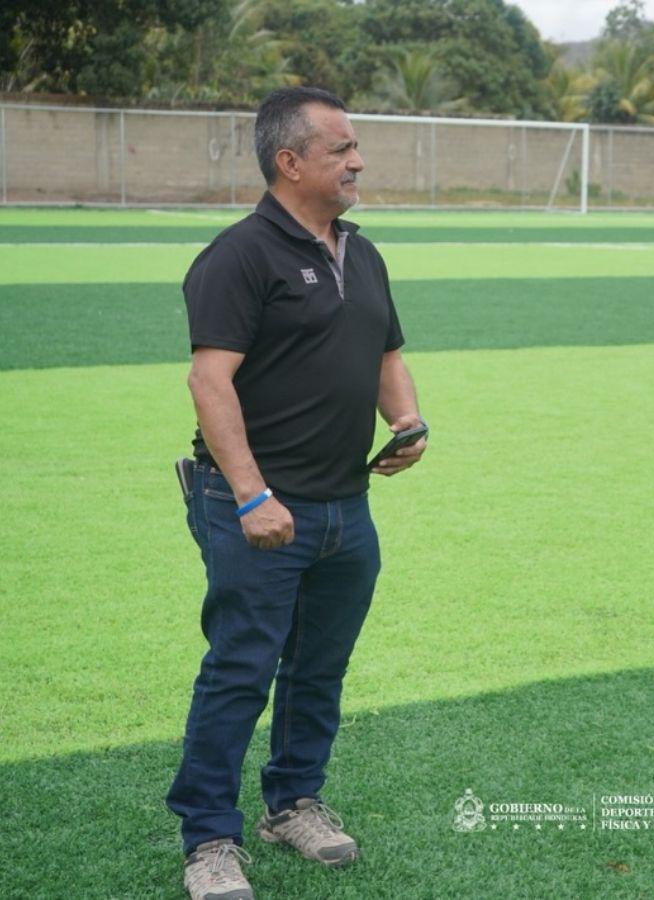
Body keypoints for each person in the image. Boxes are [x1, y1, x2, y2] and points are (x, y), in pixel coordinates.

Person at [165, 86, 426, 900]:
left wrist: (407, 420)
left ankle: (292, 803)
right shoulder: (239, 255)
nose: (358, 162)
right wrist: (251, 497)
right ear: (289, 162)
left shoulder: (362, 253)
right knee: (240, 671)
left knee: (319, 668)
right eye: (341, 149)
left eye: (355, 148)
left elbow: (385, 353)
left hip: (347, 506)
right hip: (255, 507)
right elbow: (209, 381)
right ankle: (209, 839)